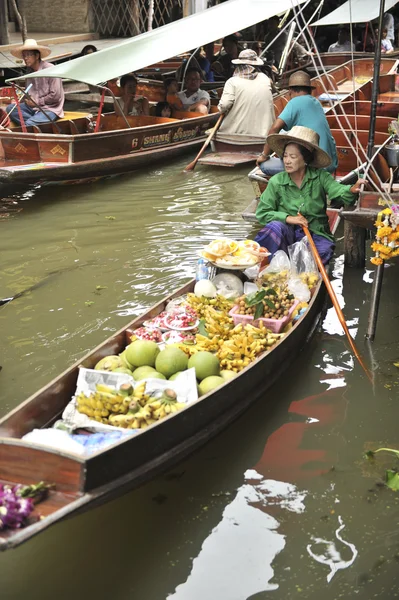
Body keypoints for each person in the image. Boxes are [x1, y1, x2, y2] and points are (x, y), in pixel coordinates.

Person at [254, 126, 365, 265]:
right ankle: (269, 264)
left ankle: (297, 269)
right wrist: (289, 218)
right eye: (285, 156)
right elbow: (262, 213)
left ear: (305, 159)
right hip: (287, 232)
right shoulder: (277, 181)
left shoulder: (320, 177)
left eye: (293, 156)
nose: (287, 161)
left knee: (320, 254)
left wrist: (351, 190)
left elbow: (338, 190)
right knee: (274, 228)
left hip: (315, 233)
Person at [257, 71, 338, 175]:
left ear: (290, 91)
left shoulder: (295, 102)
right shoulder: (316, 102)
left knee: (265, 166)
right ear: (310, 90)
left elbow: (274, 128)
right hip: (330, 164)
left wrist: (264, 155)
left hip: (314, 168)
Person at [216, 49, 275, 145]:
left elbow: (224, 105)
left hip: (234, 134)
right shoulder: (265, 79)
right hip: (264, 134)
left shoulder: (232, 82)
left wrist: (221, 109)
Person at [6, 39, 64, 127]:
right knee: (11, 108)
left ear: (37, 56)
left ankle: (31, 123)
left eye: (28, 55)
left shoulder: (50, 69)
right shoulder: (29, 72)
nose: (25, 58)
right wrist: (19, 100)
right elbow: (29, 94)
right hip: (33, 108)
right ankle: (34, 122)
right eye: (24, 55)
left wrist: (37, 102)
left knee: (30, 123)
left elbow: (56, 96)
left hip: (50, 109)